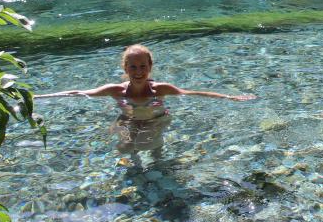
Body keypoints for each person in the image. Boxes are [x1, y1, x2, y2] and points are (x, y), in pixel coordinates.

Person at [36, 44, 254, 154]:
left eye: (143, 66)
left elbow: (193, 93)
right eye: (133, 67)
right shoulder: (116, 90)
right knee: (125, 148)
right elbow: (79, 93)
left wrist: (230, 97)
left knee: (151, 146)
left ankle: (159, 159)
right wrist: (37, 97)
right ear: (125, 68)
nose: (138, 71)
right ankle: (134, 164)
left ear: (150, 67)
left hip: (156, 120)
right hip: (128, 120)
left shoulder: (159, 89)